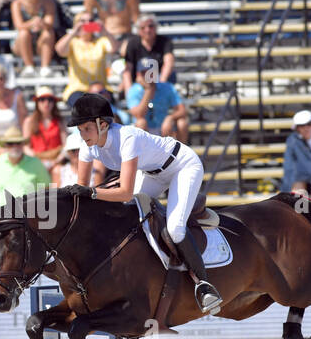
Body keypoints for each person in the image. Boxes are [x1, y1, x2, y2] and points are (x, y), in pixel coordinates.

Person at [67, 93, 222, 313]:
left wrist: (92, 193)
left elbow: (124, 192)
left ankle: (204, 285)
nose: (82, 135)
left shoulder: (127, 138)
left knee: (175, 230)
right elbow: (81, 188)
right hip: (152, 173)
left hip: (182, 166)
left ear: (102, 125)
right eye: (79, 130)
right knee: (126, 217)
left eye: (86, 129)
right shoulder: (88, 146)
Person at [0, 128, 53, 229]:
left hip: (29, 217)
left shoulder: (36, 163)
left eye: (18, 143)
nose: (15, 146)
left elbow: (47, 192)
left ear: (22, 144)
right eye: (10, 143)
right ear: (5, 146)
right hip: (1, 217)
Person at [56, 12, 116, 100]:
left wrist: (105, 31)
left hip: (100, 88)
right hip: (78, 89)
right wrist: (74, 32)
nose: (87, 23)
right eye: (83, 21)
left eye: (90, 21)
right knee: (83, 107)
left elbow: (114, 48)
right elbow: (59, 50)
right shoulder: (73, 42)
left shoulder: (101, 41)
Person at [125, 58, 188, 142]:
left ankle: (180, 153)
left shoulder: (167, 87)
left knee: (182, 122)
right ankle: (143, 154)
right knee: (141, 123)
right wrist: (148, 90)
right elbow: (138, 115)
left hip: (164, 129)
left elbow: (182, 110)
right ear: (138, 74)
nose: (148, 76)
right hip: (145, 131)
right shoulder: (134, 90)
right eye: (144, 73)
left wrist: (170, 117)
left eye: (150, 72)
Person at [10, 0, 58, 76]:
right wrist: (33, 23)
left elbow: (49, 23)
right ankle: (29, 67)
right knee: (24, 33)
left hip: (40, 42)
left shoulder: (48, 2)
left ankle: (45, 67)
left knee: (48, 33)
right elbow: (19, 25)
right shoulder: (17, 3)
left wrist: (41, 23)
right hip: (21, 43)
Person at [120, 14, 175, 92]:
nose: (147, 30)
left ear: (156, 27)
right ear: (138, 30)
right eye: (143, 27)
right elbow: (127, 69)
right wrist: (130, 93)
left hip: (160, 81)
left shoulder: (165, 42)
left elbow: (169, 63)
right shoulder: (132, 43)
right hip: (139, 84)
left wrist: (161, 86)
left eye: (150, 26)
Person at [24, 86, 66, 171]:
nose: (46, 103)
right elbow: (26, 147)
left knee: (56, 173)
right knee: (40, 179)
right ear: (37, 103)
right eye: (42, 99)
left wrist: (55, 162)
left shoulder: (60, 121)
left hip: (56, 162)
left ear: (54, 103)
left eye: (50, 100)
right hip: (36, 161)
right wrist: (39, 162)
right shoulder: (29, 121)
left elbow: (65, 145)